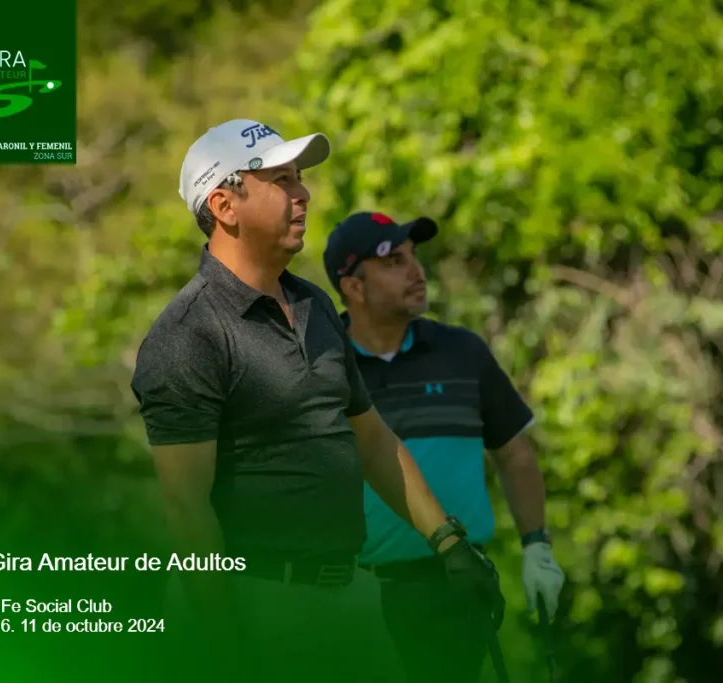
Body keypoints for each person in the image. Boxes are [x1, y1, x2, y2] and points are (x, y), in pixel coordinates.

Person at [129, 120, 504, 683]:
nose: (303, 193)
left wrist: (449, 544)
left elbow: (371, 438)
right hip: (249, 601)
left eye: (299, 178)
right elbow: (187, 509)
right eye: (281, 180)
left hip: (347, 596)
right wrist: (225, 645)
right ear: (225, 206)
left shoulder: (315, 305)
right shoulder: (189, 334)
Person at [322, 211, 566, 683]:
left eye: (413, 256)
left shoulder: (462, 352)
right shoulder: (323, 365)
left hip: (457, 584)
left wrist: (537, 547)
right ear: (353, 287)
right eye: (394, 262)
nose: (416, 271)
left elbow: (514, 453)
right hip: (357, 592)